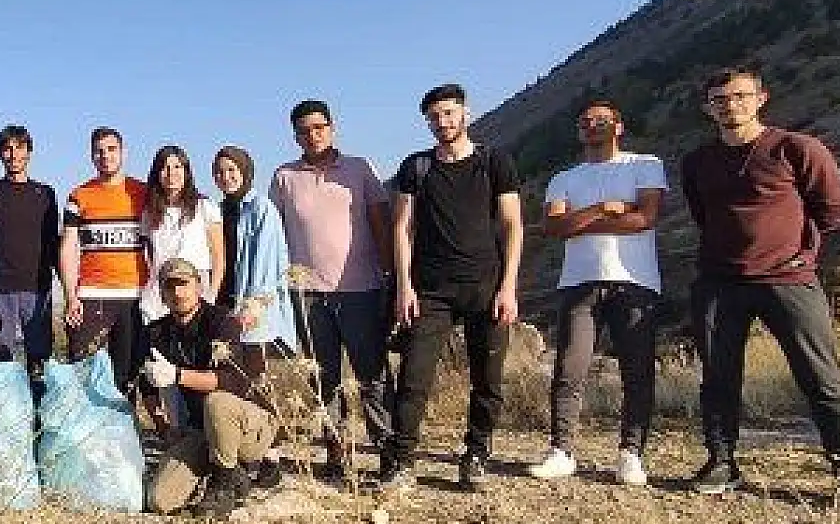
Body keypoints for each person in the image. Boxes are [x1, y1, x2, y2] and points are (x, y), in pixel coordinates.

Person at [681, 67, 840, 497]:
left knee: (820, 377)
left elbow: (833, 210)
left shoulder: (797, 149)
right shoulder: (697, 161)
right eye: (720, 99)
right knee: (718, 377)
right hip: (719, 282)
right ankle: (722, 461)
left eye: (740, 96)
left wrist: (804, 251)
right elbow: (702, 215)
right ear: (707, 108)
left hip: (789, 280)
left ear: (761, 98)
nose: (731, 106)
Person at [382, 84, 523, 492]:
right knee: (413, 377)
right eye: (434, 117)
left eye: (448, 113)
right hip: (431, 289)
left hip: (487, 285)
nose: (442, 122)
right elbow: (401, 228)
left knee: (488, 379)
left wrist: (509, 286)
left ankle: (476, 455)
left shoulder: (495, 162)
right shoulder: (417, 167)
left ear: (465, 113)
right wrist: (404, 288)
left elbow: (512, 224)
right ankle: (402, 460)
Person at [529, 100, 665, 486]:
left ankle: (631, 453)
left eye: (602, 120)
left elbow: (645, 219)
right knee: (569, 370)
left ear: (619, 126)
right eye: (585, 122)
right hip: (579, 281)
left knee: (637, 372)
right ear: (578, 131)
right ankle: (561, 450)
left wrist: (578, 219)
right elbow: (553, 228)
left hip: (634, 280)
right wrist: (604, 211)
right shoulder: (564, 178)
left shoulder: (645, 165)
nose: (593, 126)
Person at [268, 99, 393, 478]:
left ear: (332, 128)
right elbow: (275, 234)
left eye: (319, 127)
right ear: (295, 135)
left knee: (372, 374)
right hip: (309, 296)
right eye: (304, 130)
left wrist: (391, 276)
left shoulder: (359, 168)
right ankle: (337, 453)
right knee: (324, 378)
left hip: (361, 289)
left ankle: (388, 451)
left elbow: (380, 223)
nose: (313, 135)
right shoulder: (284, 177)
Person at [144, 258, 276, 519]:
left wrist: (177, 375)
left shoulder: (222, 321)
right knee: (160, 499)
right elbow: (146, 386)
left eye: (184, 284)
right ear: (161, 293)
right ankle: (231, 473)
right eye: (170, 287)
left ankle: (225, 481)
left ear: (199, 286)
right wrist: (164, 428)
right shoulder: (156, 333)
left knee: (216, 401)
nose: (178, 293)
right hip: (202, 430)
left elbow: (230, 381)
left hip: (247, 424)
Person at [212, 146, 299, 482]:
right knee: (235, 381)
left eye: (232, 170)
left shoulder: (261, 208)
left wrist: (254, 305)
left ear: (246, 171)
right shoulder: (220, 210)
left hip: (253, 309)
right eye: (220, 171)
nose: (226, 177)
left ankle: (271, 456)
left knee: (259, 382)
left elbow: (267, 264)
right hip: (225, 306)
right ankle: (242, 452)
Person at [60, 127, 148, 393]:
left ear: (123, 153)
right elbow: (68, 246)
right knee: (82, 371)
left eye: (111, 149)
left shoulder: (142, 193)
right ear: (91, 156)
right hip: (91, 296)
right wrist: (70, 297)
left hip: (135, 296)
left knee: (128, 375)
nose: (105, 156)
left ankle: (124, 431)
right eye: (99, 151)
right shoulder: (79, 195)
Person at [0, 125, 60, 369]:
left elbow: (53, 241)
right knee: (1, 362)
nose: (13, 155)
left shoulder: (45, 193)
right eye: (7, 149)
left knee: (40, 361)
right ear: (0, 154)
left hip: (38, 289)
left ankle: (39, 406)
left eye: (19, 148)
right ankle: (3, 407)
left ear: (29, 152)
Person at [137, 146, 225, 324]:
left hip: (194, 290)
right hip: (160, 293)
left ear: (186, 172)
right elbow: (148, 256)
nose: (171, 173)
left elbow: (218, 259)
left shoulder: (205, 207)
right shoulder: (149, 213)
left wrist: (211, 295)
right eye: (165, 167)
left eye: (177, 167)